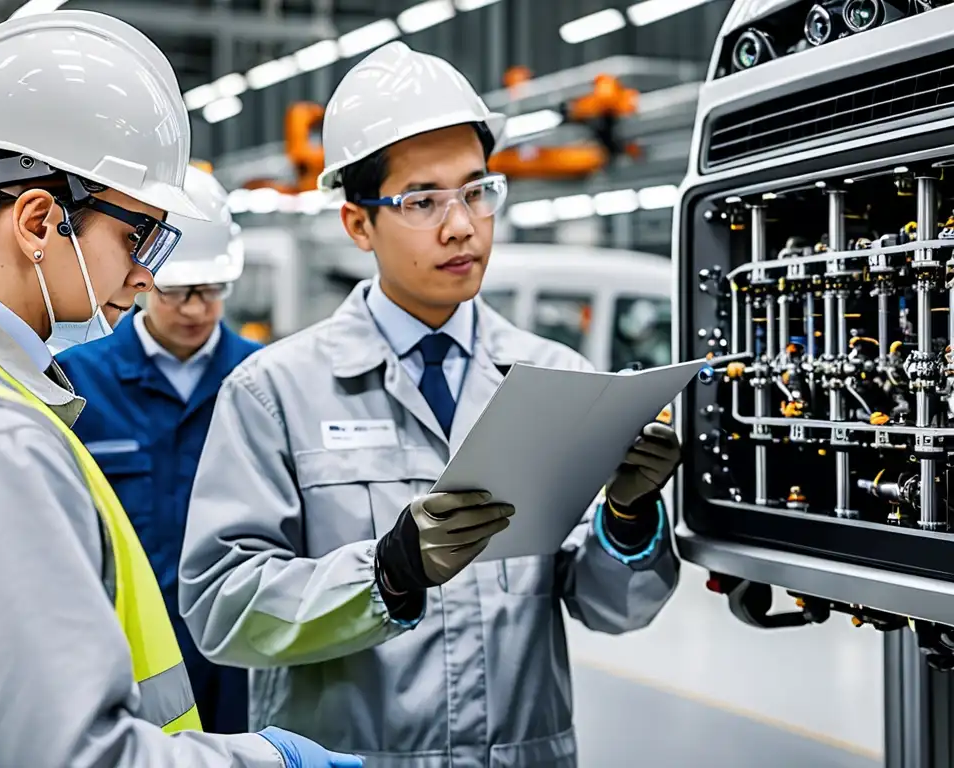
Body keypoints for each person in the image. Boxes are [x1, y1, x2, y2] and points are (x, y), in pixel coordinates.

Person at [180, 41, 681, 767]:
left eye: (478, 191)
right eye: (423, 201)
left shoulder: (554, 375)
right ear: (358, 224)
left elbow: (613, 608)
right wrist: (384, 575)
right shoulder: (275, 392)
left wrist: (627, 520)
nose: (462, 226)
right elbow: (222, 610)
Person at [0, 11, 361, 768]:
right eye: (138, 238)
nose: (148, 276)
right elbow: (74, 756)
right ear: (39, 220)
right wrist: (268, 763)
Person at [57, 165, 261, 735]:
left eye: (212, 290)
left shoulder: (264, 379)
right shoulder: (77, 381)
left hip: (239, 649)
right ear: (146, 280)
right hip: (127, 649)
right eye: (179, 291)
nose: (196, 309)